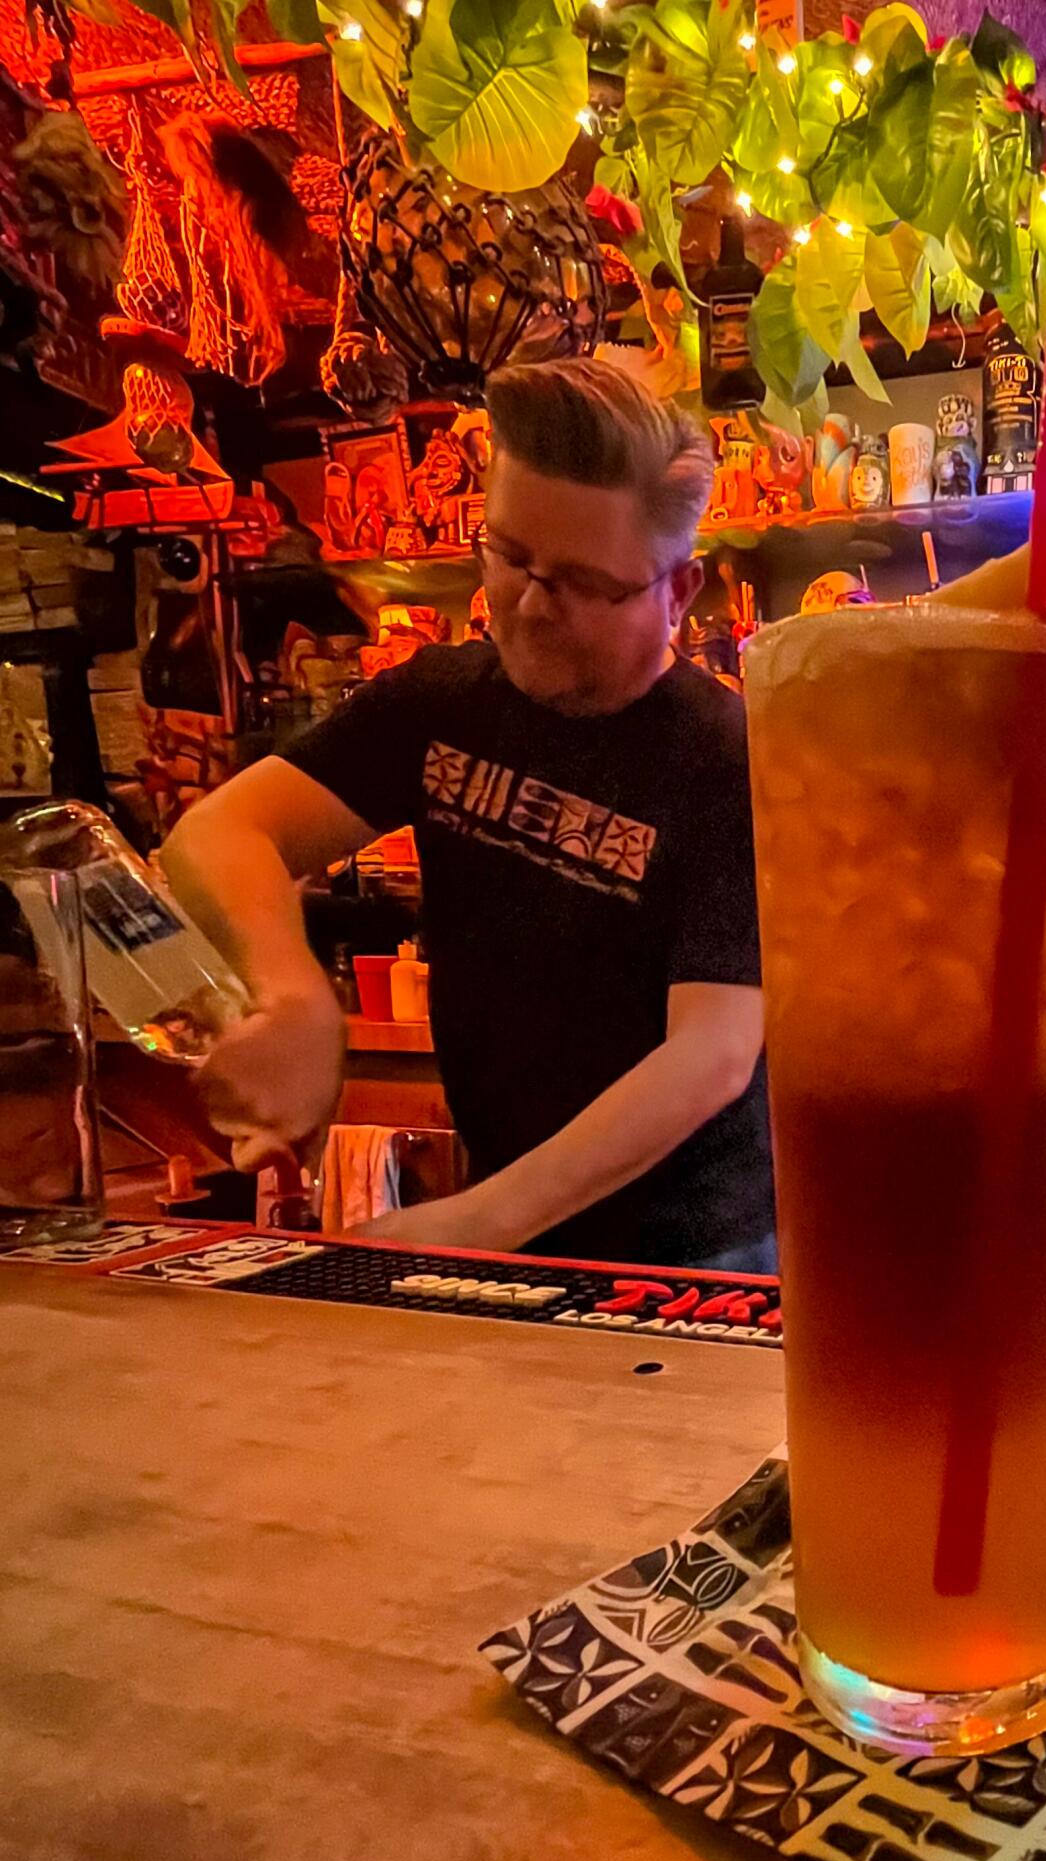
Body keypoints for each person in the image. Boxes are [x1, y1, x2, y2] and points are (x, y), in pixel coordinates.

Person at [162, 358, 773, 1271]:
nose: (529, 606)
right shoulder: (438, 703)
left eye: (578, 582)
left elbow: (713, 1054)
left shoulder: (729, 757)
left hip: (691, 1254)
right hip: (508, 1221)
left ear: (678, 593)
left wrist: (480, 1224)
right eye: (511, 556)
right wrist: (292, 995)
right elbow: (216, 833)